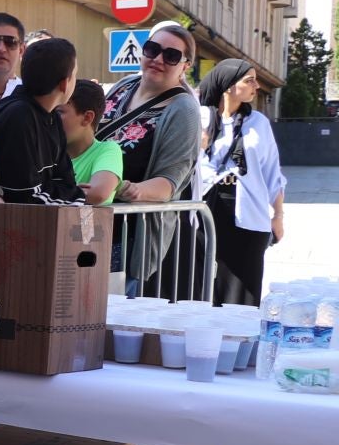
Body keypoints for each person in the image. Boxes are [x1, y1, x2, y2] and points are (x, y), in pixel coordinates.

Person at [97, 20, 203, 297]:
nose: (158, 59)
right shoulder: (124, 85)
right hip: (91, 221)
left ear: (185, 66)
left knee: (110, 311)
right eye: (152, 49)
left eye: (171, 56)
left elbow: (169, 183)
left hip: (129, 235)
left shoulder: (183, 110)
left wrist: (124, 189)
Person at [197, 59, 286, 306]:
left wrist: (278, 215)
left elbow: (272, 172)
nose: (256, 86)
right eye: (249, 81)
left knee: (243, 285)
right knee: (200, 283)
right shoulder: (199, 117)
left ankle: (238, 331)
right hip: (205, 208)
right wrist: (199, 144)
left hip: (247, 209)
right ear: (228, 86)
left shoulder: (258, 123)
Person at [0, 37, 81, 204]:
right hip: (3, 219)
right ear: (65, 84)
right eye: (75, 75)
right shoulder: (19, 117)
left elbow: (67, 181)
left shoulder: (52, 117)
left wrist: (73, 194)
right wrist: (79, 196)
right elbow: (26, 195)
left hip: (31, 219)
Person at [62, 80, 123, 206]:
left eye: (59, 112)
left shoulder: (107, 150)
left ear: (87, 118)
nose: (50, 119)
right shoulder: (46, 151)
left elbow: (97, 194)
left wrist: (48, 191)